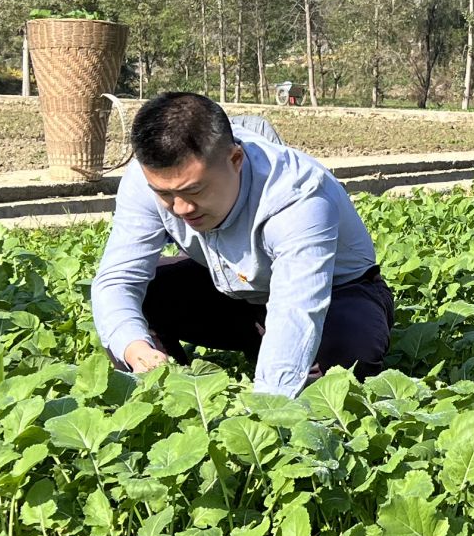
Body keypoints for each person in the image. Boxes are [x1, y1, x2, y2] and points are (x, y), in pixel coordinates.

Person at [91, 93, 392, 397]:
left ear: (235, 160)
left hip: (335, 293)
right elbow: (118, 280)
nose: (180, 208)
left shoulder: (297, 195)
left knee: (348, 356)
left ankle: (287, 364)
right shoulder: (147, 179)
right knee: (131, 310)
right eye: (165, 194)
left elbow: (297, 309)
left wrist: (265, 410)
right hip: (234, 294)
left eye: (194, 191)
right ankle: (172, 396)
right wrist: (135, 347)